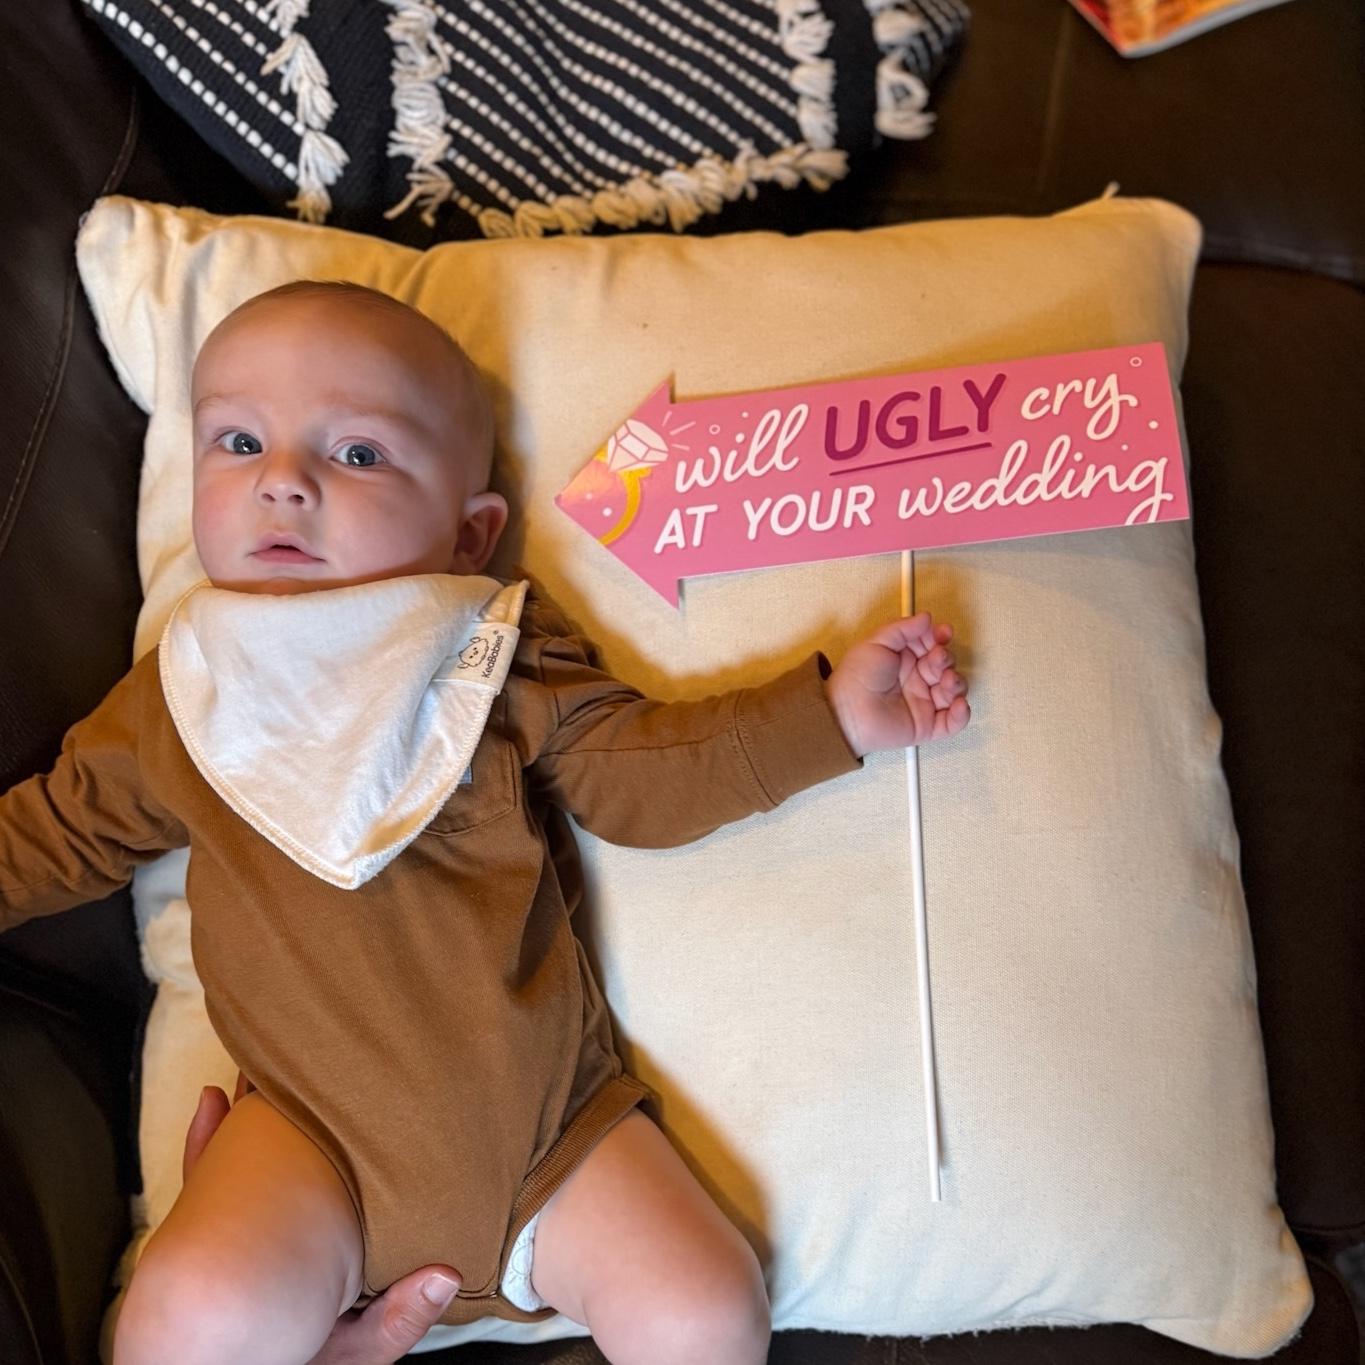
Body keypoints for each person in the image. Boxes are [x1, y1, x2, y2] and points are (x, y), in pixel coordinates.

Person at [0, 281, 969, 1365]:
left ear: (471, 534)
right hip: (307, 1144)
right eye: (238, 442)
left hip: (555, 1140)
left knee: (703, 1310)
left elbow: (642, 773)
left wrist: (828, 719)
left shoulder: (489, 658)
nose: (283, 480)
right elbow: (57, 833)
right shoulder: (183, 694)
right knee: (188, 1317)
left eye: (357, 453)